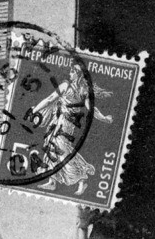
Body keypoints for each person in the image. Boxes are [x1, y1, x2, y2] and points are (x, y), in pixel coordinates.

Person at [33, 65, 114, 195]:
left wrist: (104, 118)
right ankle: (52, 181)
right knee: (51, 147)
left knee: (62, 151)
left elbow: (90, 109)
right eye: (70, 70)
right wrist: (35, 110)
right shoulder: (75, 88)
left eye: (73, 71)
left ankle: (81, 179)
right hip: (57, 121)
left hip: (65, 124)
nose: (70, 73)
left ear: (78, 74)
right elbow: (50, 99)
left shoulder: (78, 89)